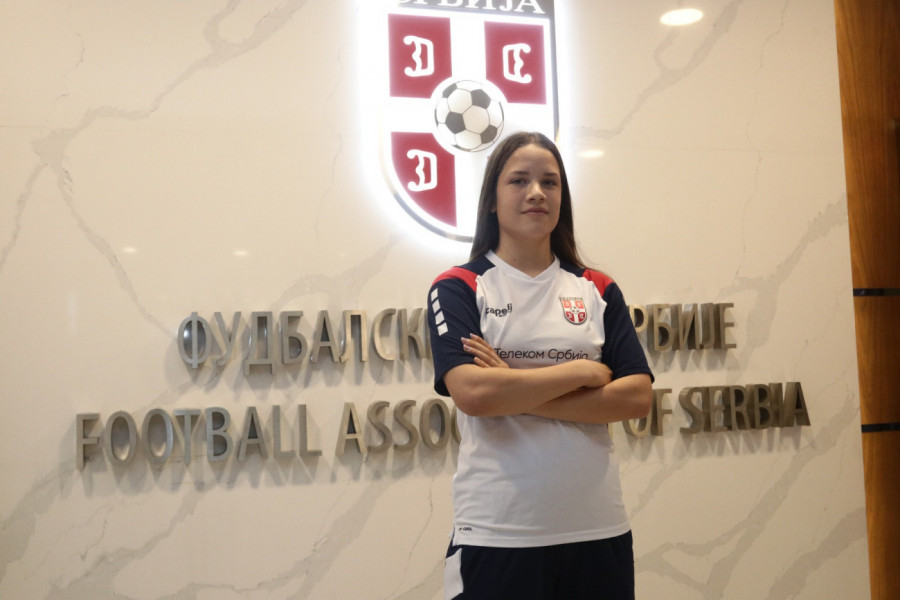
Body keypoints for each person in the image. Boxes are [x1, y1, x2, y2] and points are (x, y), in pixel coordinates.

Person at [426, 131, 654, 600]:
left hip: (598, 529)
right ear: (492, 200)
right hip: (498, 533)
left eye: (550, 182)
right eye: (519, 181)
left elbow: (635, 398)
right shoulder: (458, 287)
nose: (536, 193)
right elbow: (474, 394)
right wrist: (581, 373)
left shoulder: (597, 287)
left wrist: (512, 386)